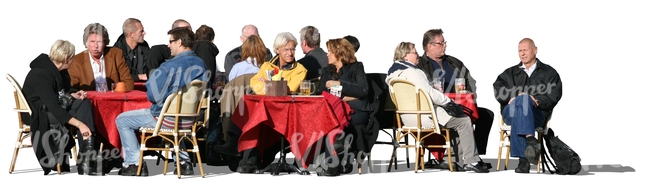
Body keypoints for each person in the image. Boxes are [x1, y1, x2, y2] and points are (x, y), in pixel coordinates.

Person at [115, 27, 208, 176]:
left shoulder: (168, 67)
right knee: (177, 117)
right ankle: (184, 162)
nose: (168, 46)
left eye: (171, 42)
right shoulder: (202, 65)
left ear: (180, 42)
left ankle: (133, 163)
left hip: (167, 120)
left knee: (121, 120)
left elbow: (152, 95)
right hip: (190, 121)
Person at [385, 42, 489, 173]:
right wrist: (448, 102)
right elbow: (431, 93)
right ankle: (472, 161)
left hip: (407, 119)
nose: (417, 55)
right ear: (406, 56)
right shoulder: (414, 72)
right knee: (463, 121)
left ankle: (451, 159)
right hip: (425, 117)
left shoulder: (392, 76)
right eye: (415, 52)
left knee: (457, 119)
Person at [415, 29, 494, 167]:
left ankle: (475, 154)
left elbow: (470, 81)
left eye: (445, 42)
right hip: (437, 107)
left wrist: (469, 94)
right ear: (430, 46)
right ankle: (455, 157)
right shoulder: (420, 65)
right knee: (461, 118)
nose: (445, 45)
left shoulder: (454, 62)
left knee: (487, 114)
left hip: (460, 103)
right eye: (441, 43)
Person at [23, 40, 101, 175]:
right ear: (66, 58)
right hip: (39, 114)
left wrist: (73, 94)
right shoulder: (41, 74)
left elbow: (63, 91)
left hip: (53, 107)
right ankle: (87, 158)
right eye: (72, 57)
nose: (73, 60)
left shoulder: (60, 71)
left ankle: (86, 158)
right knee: (81, 112)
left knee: (83, 103)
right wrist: (80, 124)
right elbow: (54, 107)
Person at [493, 38, 562, 173]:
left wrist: (535, 99)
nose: (522, 53)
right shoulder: (509, 73)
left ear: (535, 50)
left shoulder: (549, 73)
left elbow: (554, 96)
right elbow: (498, 90)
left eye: (525, 50)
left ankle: (523, 161)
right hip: (510, 112)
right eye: (520, 51)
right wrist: (516, 94)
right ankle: (530, 139)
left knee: (523, 103)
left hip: (537, 114)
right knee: (521, 101)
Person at [313, 38, 373, 176]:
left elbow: (363, 90)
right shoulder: (327, 70)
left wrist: (339, 84)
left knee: (335, 124)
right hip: (335, 109)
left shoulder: (356, 67)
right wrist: (344, 96)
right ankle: (335, 162)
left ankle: (331, 165)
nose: (327, 54)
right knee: (332, 122)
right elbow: (320, 94)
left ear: (339, 52)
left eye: (329, 51)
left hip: (356, 110)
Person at [68, 23, 135, 91]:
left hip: (113, 98)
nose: (96, 46)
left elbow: (128, 82)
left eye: (99, 42)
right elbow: (73, 88)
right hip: (89, 99)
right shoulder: (76, 61)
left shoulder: (116, 54)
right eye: (92, 42)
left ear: (105, 42)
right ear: (86, 43)